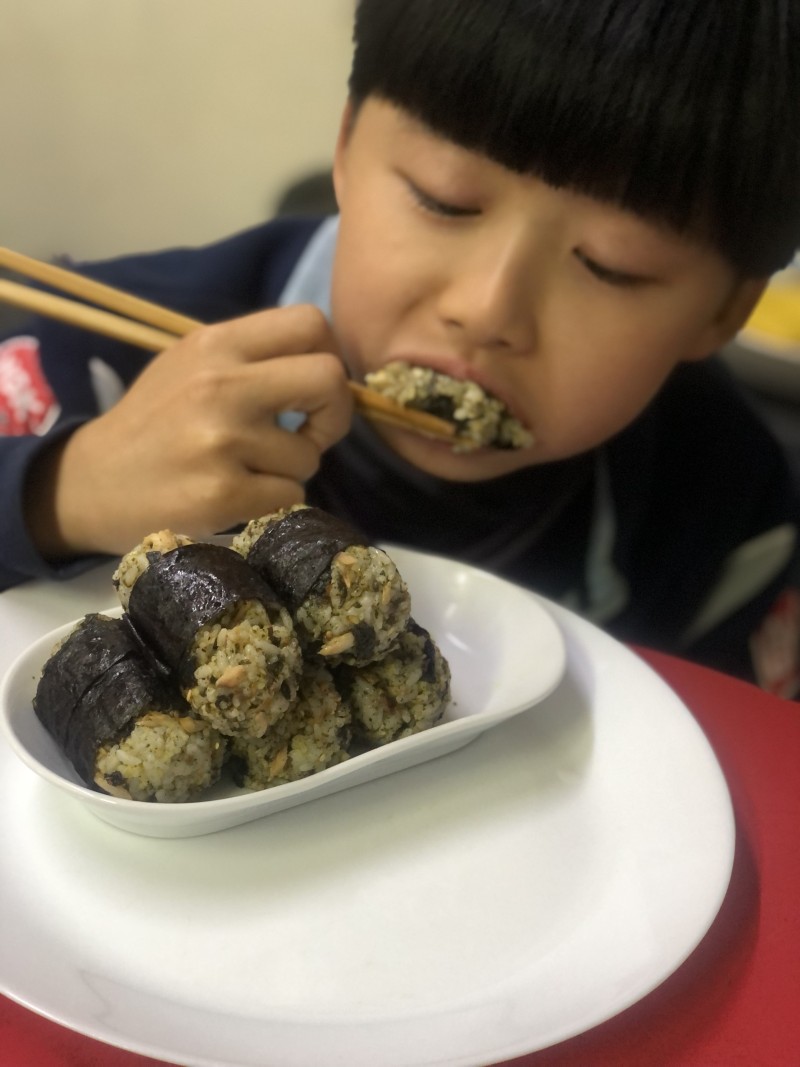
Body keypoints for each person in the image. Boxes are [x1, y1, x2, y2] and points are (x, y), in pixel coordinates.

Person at [2, 0, 800, 692]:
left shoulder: (729, 501)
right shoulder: (100, 353)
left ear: (727, 307)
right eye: (443, 200)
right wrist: (57, 494)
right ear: (346, 144)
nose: (488, 310)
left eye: (610, 266)